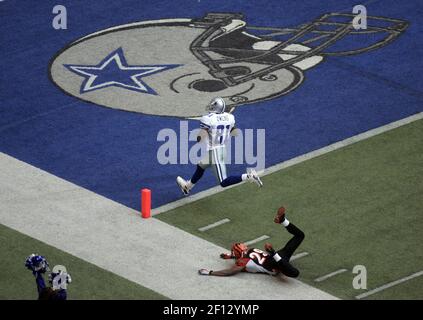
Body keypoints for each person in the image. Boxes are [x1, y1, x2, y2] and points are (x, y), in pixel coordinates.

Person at [176, 97, 263, 195]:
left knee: (223, 182)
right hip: (221, 150)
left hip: (215, 152)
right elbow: (235, 133)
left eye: (213, 105)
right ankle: (187, 187)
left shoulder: (208, 119)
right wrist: (225, 124)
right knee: (201, 166)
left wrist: (199, 134)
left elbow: (200, 139)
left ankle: (249, 176)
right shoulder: (229, 118)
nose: (211, 106)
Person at [198, 207, 305, 278]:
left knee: (300, 236)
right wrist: (211, 272)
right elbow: (230, 271)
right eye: (241, 245)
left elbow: (239, 256)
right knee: (295, 273)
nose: (244, 245)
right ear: (241, 250)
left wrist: (229, 256)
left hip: (278, 259)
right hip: (276, 264)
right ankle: (274, 249)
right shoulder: (244, 260)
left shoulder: (243, 259)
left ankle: (283, 221)